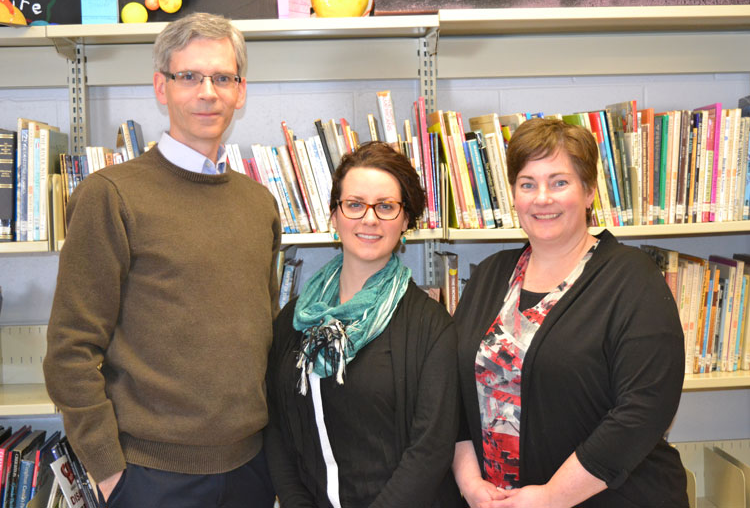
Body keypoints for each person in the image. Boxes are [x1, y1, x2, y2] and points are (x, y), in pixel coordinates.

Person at [43, 12, 281, 508]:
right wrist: (110, 473)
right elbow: (70, 350)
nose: (207, 91)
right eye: (189, 76)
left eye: (222, 77)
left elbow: (262, 334)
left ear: (240, 91)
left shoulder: (259, 203)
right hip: (149, 478)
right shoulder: (110, 196)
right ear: (161, 86)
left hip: (251, 470)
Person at [452, 118, 688, 507]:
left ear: (589, 191)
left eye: (559, 182)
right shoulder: (490, 275)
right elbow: (454, 393)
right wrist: (469, 483)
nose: (542, 197)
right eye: (528, 184)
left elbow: (643, 410)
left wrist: (551, 498)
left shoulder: (632, 279)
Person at [265, 141, 462, 508]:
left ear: (406, 220)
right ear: (334, 215)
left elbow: (430, 449)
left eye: (386, 207)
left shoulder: (430, 326)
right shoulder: (294, 321)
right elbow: (277, 429)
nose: (369, 219)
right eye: (354, 204)